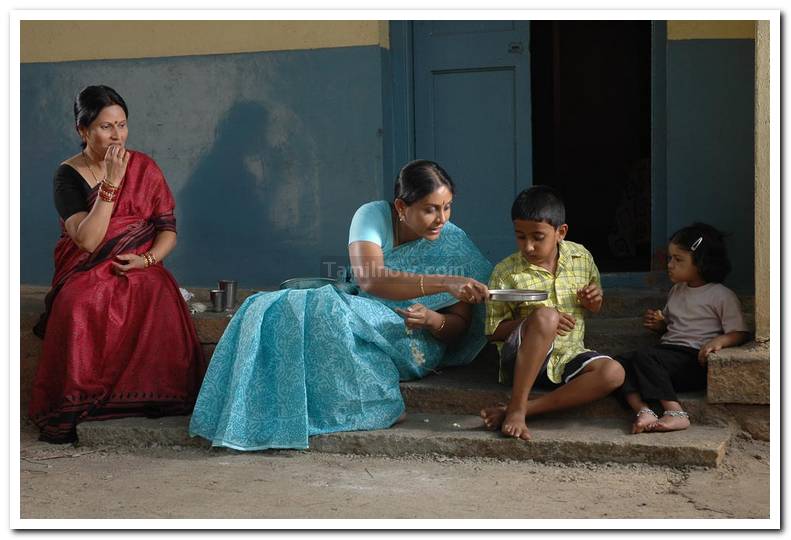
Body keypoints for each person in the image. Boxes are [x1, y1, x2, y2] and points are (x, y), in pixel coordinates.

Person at [189, 159, 492, 450]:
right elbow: (371, 279)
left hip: (413, 335)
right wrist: (444, 282)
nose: (442, 219)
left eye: (447, 207)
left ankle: (380, 405)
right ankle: (257, 412)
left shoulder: (455, 247)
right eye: (430, 209)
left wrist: (432, 320)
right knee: (276, 306)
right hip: (359, 308)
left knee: (331, 310)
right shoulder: (373, 215)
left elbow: (458, 330)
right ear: (401, 206)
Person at [28, 85, 205, 443]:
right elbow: (89, 240)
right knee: (79, 303)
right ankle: (81, 400)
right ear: (83, 130)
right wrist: (110, 183)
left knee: (155, 290)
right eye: (106, 127)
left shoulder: (145, 167)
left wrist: (147, 259)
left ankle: (149, 396)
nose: (116, 136)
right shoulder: (68, 175)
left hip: (139, 264)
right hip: (86, 269)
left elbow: (167, 230)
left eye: (122, 125)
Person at [480, 186, 625, 441]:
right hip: (523, 362)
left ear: (561, 232)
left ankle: (520, 410)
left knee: (614, 373)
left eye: (538, 237)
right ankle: (518, 403)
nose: (529, 246)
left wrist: (594, 301)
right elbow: (493, 332)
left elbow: (595, 307)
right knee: (546, 316)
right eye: (520, 237)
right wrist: (535, 321)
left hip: (569, 356)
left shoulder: (581, 257)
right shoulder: (506, 272)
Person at [616, 223, 750, 434]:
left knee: (645, 357)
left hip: (692, 360)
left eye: (678, 259)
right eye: (670, 258)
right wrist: (661, 325)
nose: (670, 264)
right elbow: (674, 327)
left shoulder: (721, 294)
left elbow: (740, 332)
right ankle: (643, 410)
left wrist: (719, 342)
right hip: (667, 355)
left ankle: (676, 413)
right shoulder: (677, 291)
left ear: (702, 263)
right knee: (617, 364)